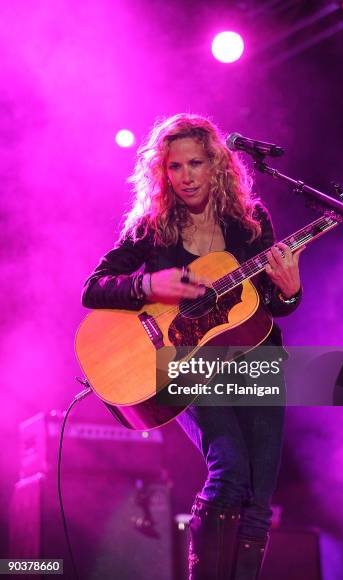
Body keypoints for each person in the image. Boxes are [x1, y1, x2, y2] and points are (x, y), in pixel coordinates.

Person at [82, 113, 304, 579]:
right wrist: (148, 286)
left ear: (217, 165)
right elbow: (94, 287)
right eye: (175, 167)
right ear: (162, 172)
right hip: (185, 365)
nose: (185, 177)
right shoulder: (152, 227)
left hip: (255, 361)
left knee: (259, 496)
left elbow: (264, 309)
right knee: (230, 469)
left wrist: (290, 291)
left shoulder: (249, 222)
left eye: (196, 163)